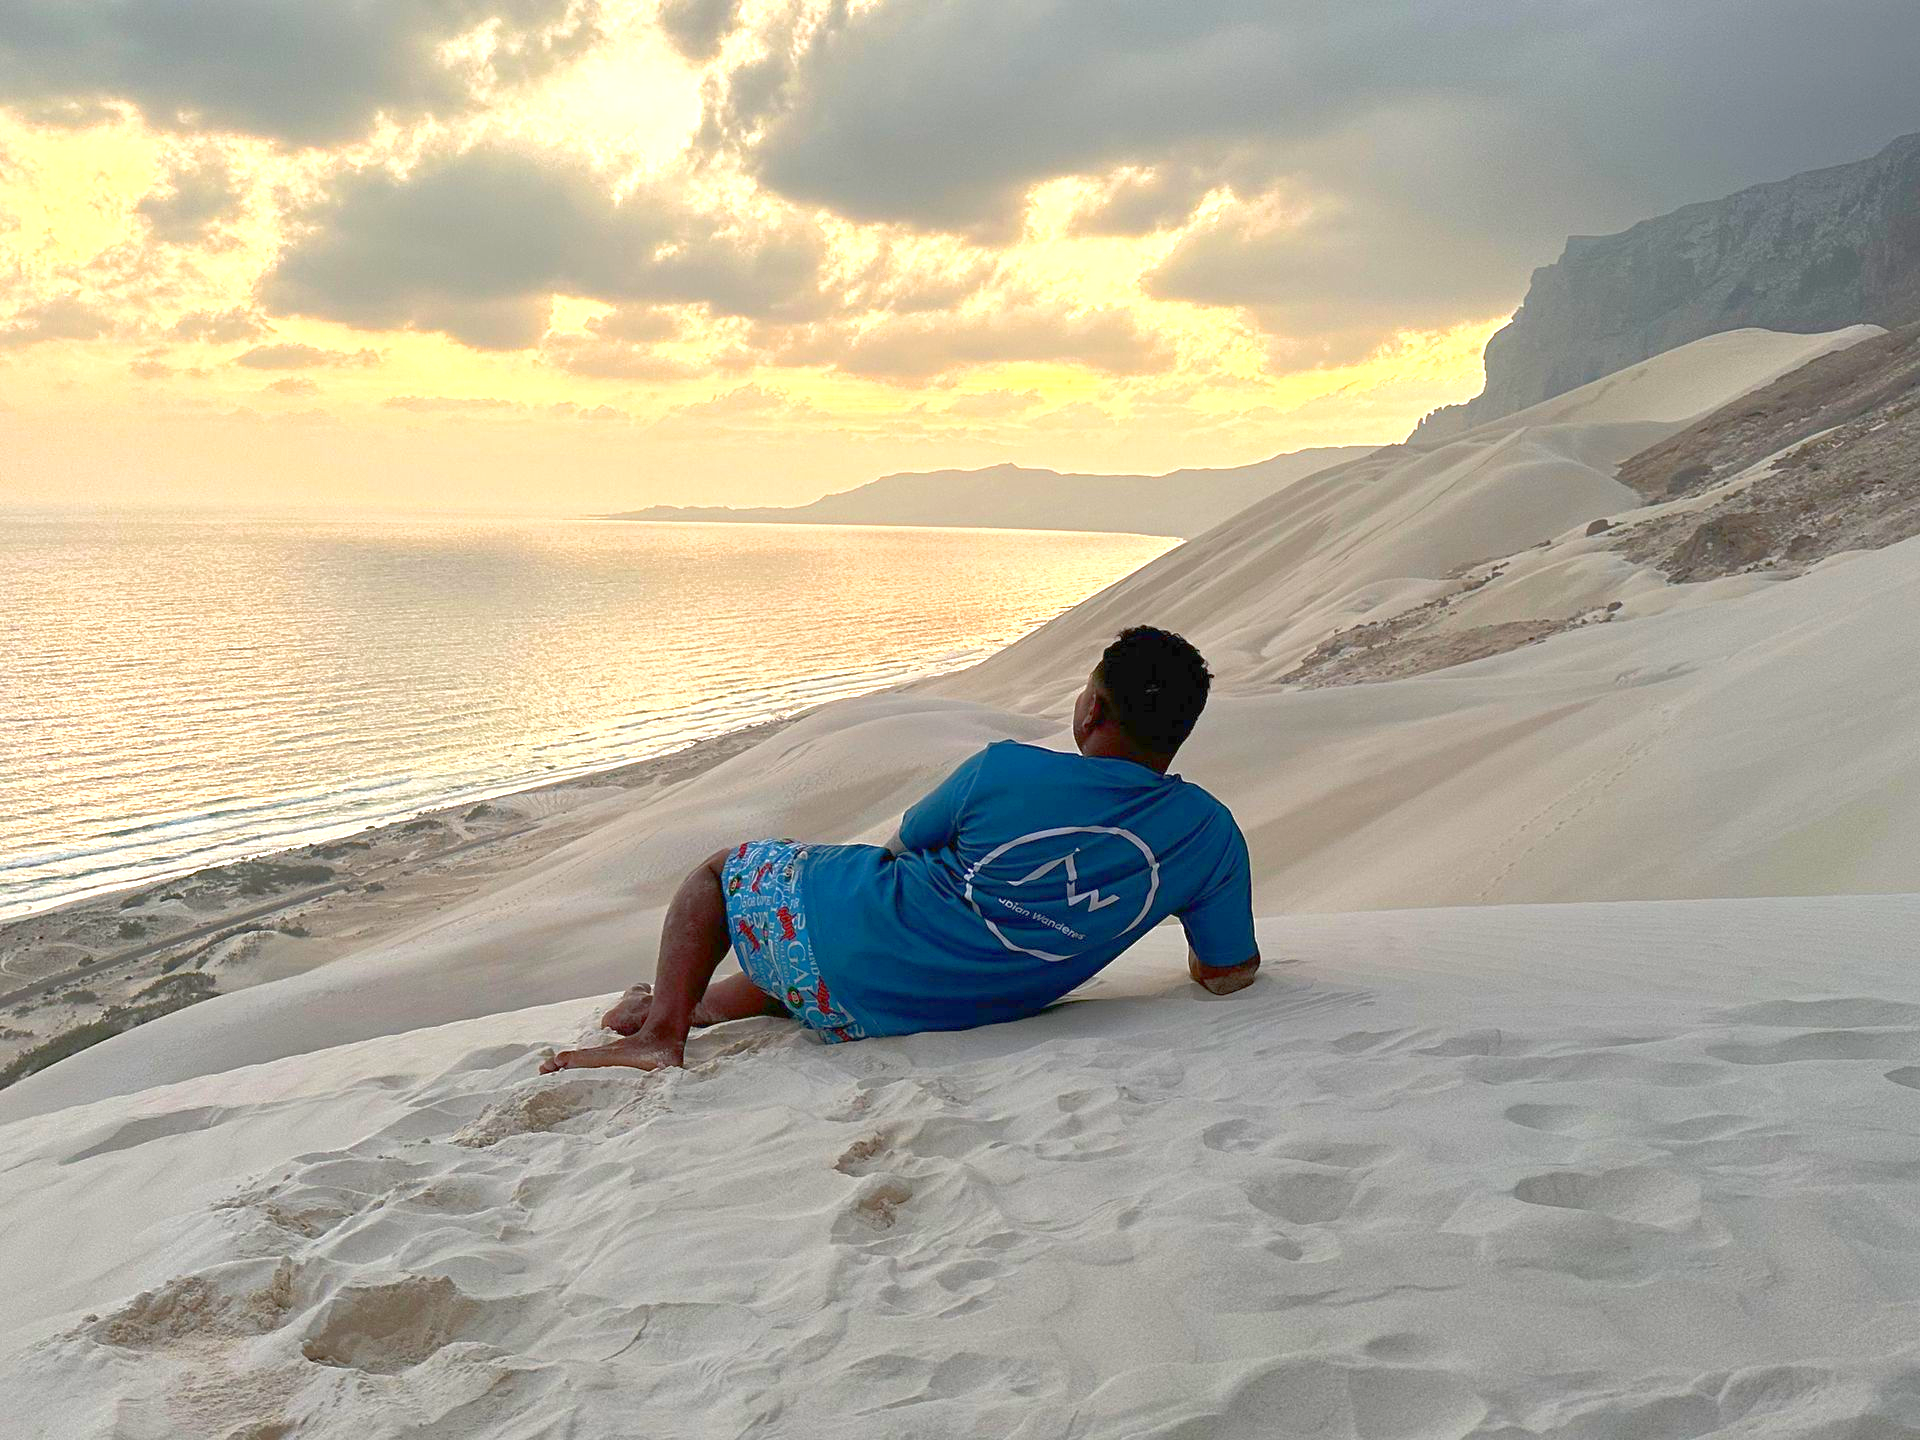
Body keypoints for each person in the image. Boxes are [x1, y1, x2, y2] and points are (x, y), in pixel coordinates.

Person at [541, 626, 1259, 1074]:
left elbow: (897, 846)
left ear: (1093, 709)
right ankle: (695, 1005)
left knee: (724, 873)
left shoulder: (1005, 767)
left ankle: (663, 1031)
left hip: (849, 956)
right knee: (834, 943)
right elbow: (1226, 974)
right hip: (899, 1006)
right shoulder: (1210, 834)